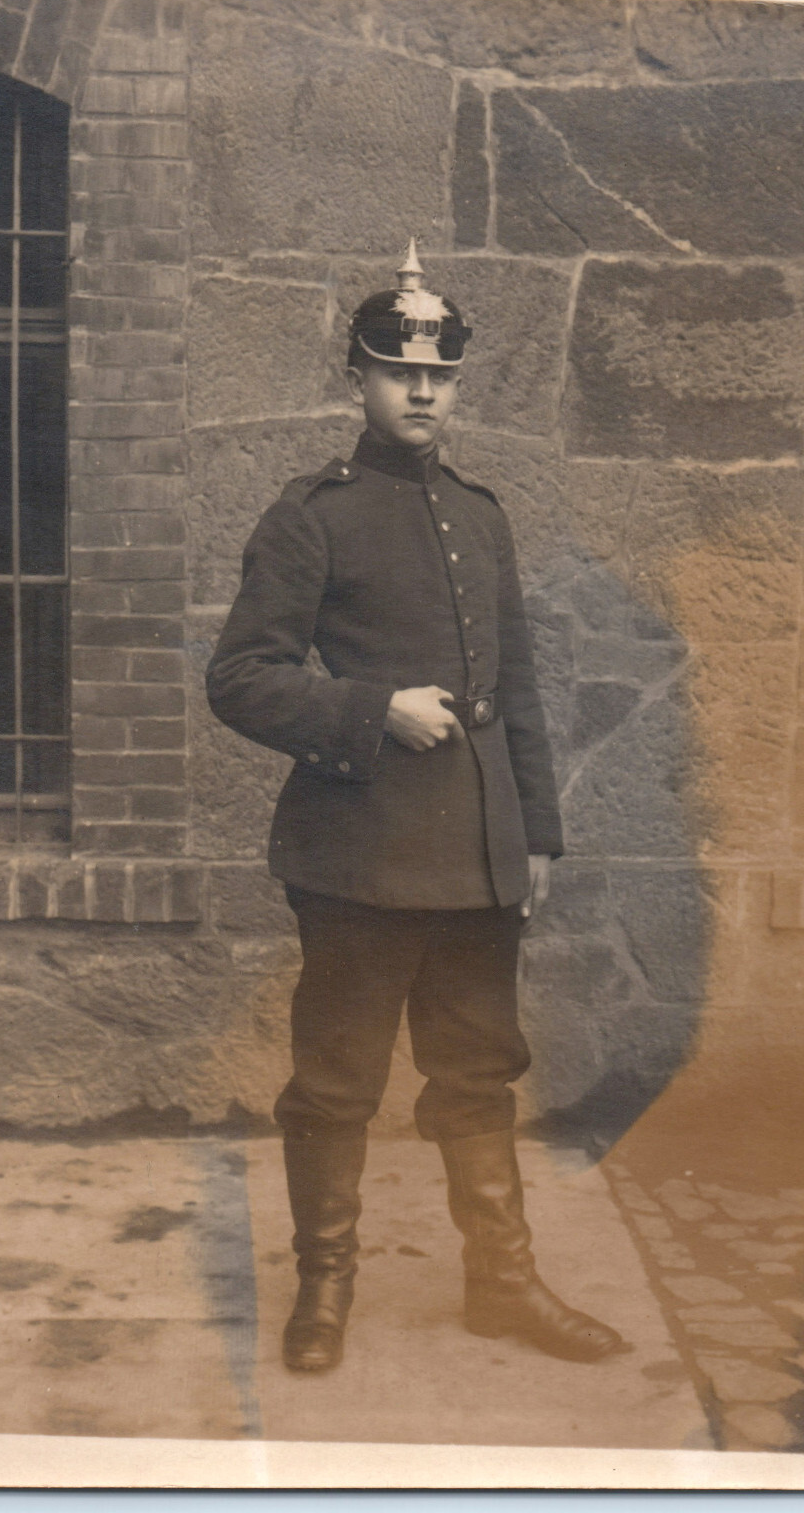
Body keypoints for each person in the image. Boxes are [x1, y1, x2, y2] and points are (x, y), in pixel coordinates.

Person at [206, 241, 625, 1375]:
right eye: (399, 371)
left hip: (476, 853)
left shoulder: (481, 516)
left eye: (439, 374)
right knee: (337, 1081)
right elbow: (237, 677)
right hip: (356, 854)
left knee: (478, 1070)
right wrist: (367, 709)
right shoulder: (313, 516)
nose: (423, 390)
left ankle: (500, 1282)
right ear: (358, 379)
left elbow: (517, 690)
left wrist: (535, 831)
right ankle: (325, 1292)